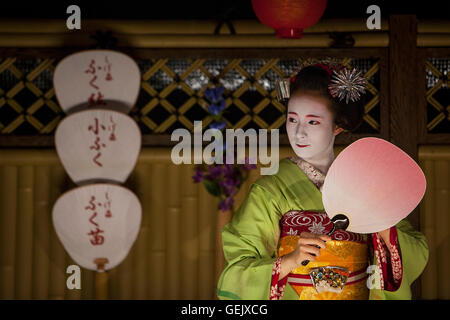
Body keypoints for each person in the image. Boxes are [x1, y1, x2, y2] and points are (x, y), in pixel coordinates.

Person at [216, 62, 429, 300]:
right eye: (293, 119)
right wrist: (289, 260)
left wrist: (383, 230)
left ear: (337, 126)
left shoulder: (364, 182)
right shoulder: (270, 190)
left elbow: (416, 251)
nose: (299, 132)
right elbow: (239, 268)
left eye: (313, 121)